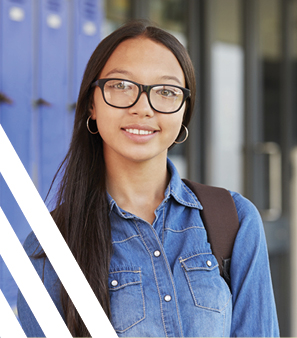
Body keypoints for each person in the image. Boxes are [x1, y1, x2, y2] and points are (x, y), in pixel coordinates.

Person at [17, 20, 279, 337]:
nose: (143, 109)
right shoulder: (49, 246)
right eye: (121, 86)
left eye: (166, 91)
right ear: (92, 103)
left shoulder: (233, 220)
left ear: (184, 110)